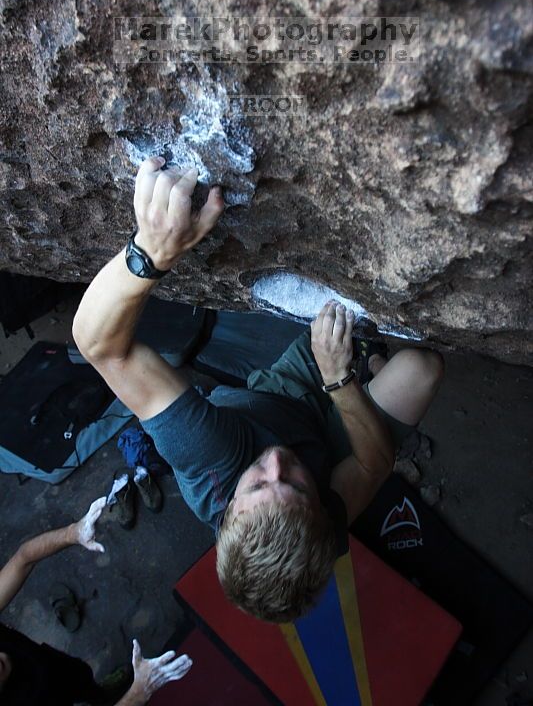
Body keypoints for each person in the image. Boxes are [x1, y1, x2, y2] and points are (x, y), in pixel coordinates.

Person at [73, 157, 444, 623]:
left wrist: (150, 251)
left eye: (259, 483)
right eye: (293, 484)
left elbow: (102, 348)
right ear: (319, 516)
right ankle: (367, 363)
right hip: (329, 433)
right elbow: (374, 463)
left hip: (281, 395)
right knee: (421, 369)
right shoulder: (318, 529)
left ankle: (363, 360)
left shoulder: (209, 454)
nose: (275, 462)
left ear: (228, 512)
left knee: (361, 346)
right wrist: (339, 381)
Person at [0, 497, 192, 705]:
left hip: (52, 670)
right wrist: (140, 691)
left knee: (81, 678)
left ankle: (98, 693)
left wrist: (73, 533)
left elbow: (23, 558)